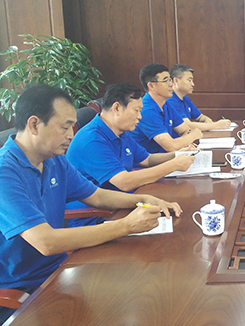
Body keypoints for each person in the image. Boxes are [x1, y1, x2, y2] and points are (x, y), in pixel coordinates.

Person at [0, 85, 181, 325]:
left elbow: (96, 196)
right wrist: (125, 226)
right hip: (24, 288)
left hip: (62, 267)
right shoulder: (5, 172)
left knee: (146, 294)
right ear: (34, 125)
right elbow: (45, 241)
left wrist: (143, 199)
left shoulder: (54, 160)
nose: (71, 135)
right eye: (64, 127)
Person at [67, 83, 197, 226]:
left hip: (125, 203)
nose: (140, 117)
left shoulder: (121, 132)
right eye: (136, 111)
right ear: (116, 108)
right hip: (98, 218)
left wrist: (176, 155)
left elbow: (147, 159)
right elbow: (124, 182)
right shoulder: (91, 140)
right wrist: (173, 165)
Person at [131, 64, 203, 153]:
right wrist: (194, 135)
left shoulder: (166, 104)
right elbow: (171, 146)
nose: (171, 84)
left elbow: (185, 130)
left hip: (167, 157)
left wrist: (186, 143)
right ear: (151, 86)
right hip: (150, 160)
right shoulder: (146, 110)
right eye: (166, 81)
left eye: (170, 80)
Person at [166, 64, 232, 131]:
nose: (193, 84)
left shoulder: (185, 99)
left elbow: (200, 117)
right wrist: (216, 125)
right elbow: (186, 125)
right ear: (176, 80)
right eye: (189, 80)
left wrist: (207, 121)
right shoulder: (170, 101)